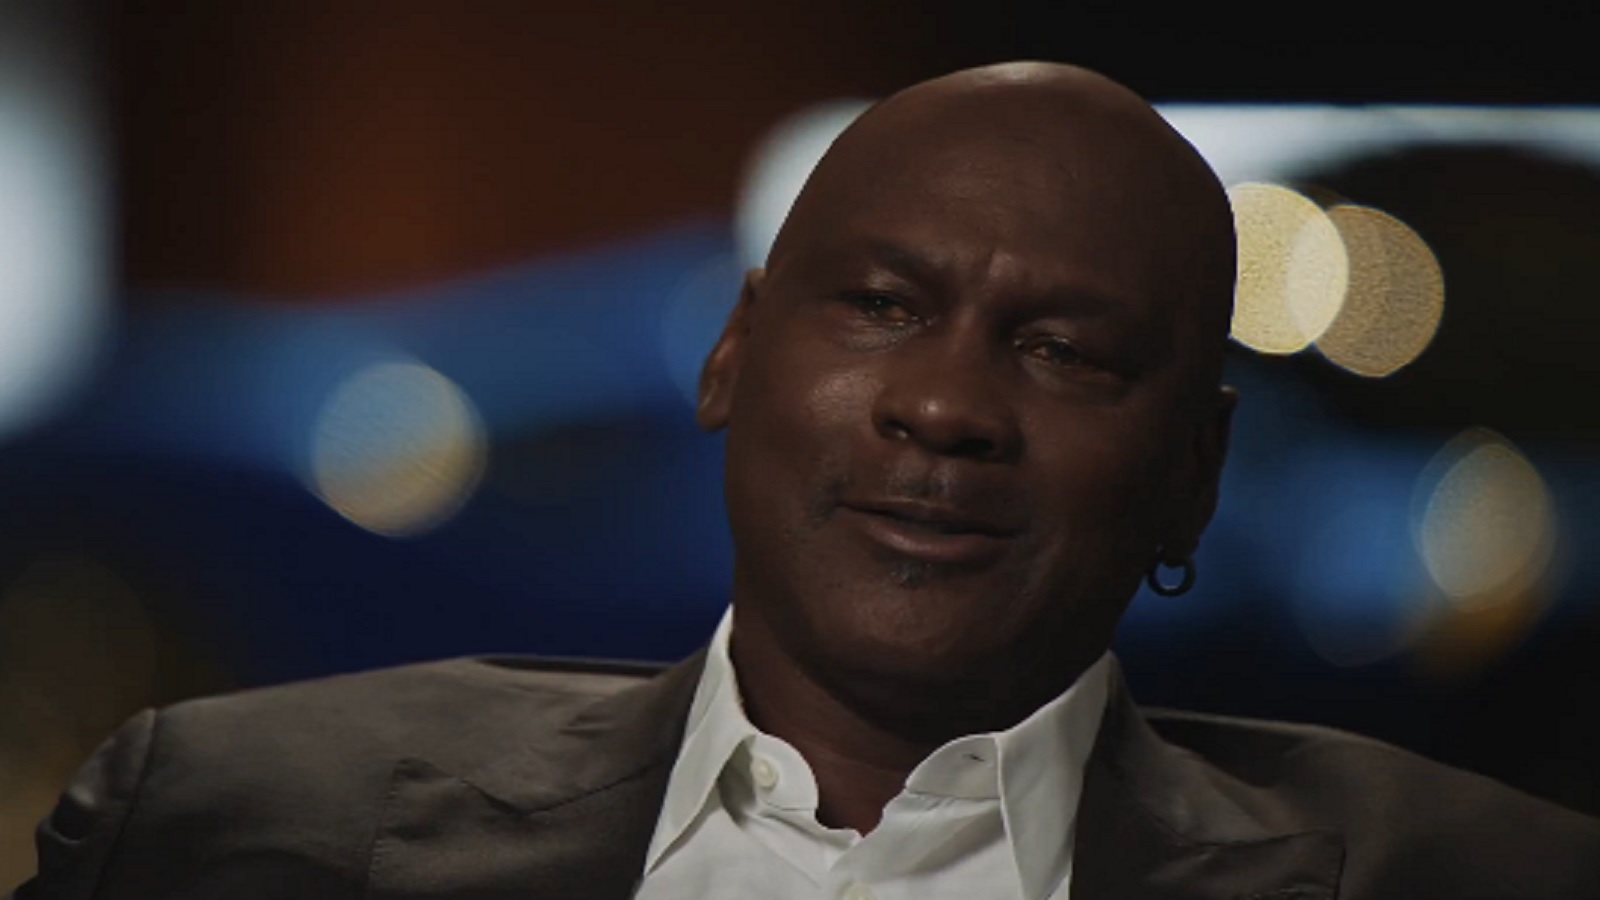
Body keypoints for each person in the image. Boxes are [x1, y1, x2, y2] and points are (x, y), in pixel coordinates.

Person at [12, 61, 1599, 900]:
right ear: (732, 357)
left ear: (1194, 474)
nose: (946, 406)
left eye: (1064, 349)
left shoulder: (1493, 876)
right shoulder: (211, 825)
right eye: (885, 307)